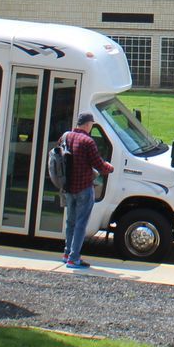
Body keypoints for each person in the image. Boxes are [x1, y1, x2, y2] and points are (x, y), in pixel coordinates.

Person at [59, 112, 112, 269]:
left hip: (69, 187)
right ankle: (74, 258)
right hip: (84, 188)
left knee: (71, 221)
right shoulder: (88, 141)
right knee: (81, 223)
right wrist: (110, 167)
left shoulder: (66, 136)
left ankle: (67, 253)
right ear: (88, 124)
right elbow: (99, 165)